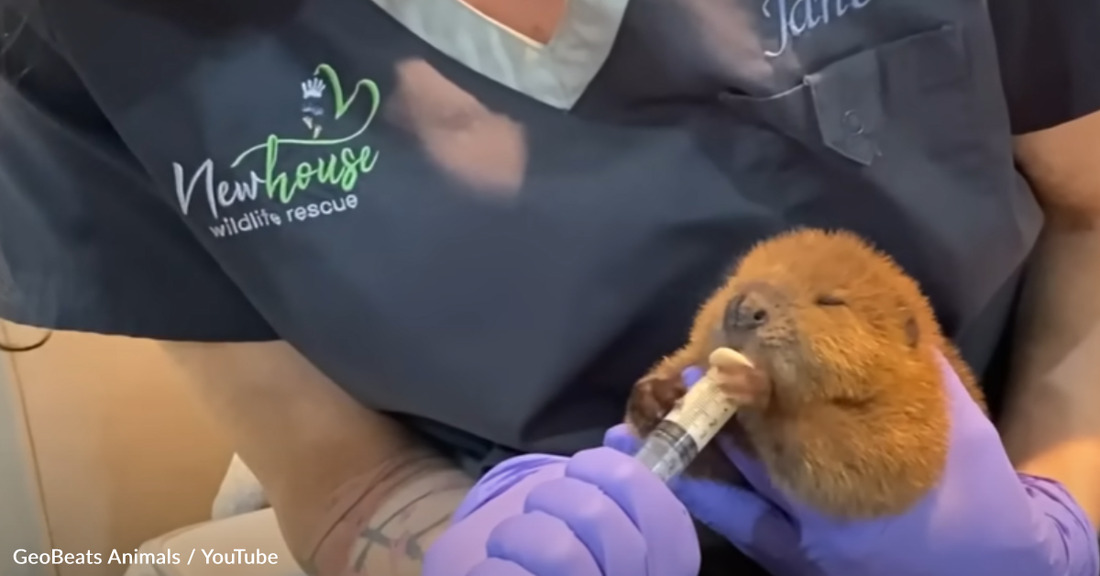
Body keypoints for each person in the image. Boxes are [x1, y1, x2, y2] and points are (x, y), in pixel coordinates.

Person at [1, 0, 1099, 574]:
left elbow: (1087, 214)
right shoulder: (76, 45)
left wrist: (1056, 516)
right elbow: (339, 478)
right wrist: (459, 552)